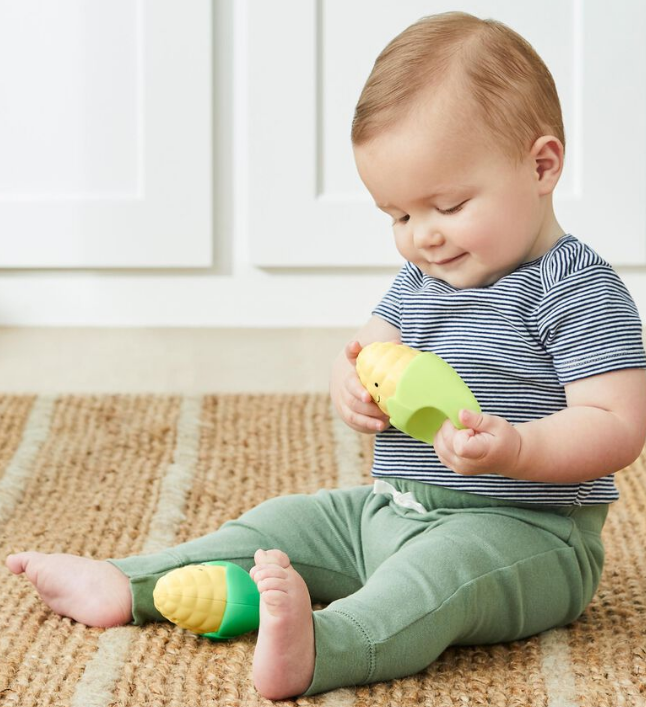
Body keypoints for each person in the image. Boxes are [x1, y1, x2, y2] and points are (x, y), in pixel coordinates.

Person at [6, 11, 646, 701]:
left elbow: (617, 424)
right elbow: (367, 346)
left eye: (448, 204)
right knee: (279, 524)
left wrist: (516, 447)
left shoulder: (576, 288)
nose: (422, 237)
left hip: (524, 534)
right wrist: (352, 381)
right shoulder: (424, 277)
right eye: (398, 216)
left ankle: (329, 645)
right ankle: (130, 581)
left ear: (542, 164)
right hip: (390, 509)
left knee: (433, 580)